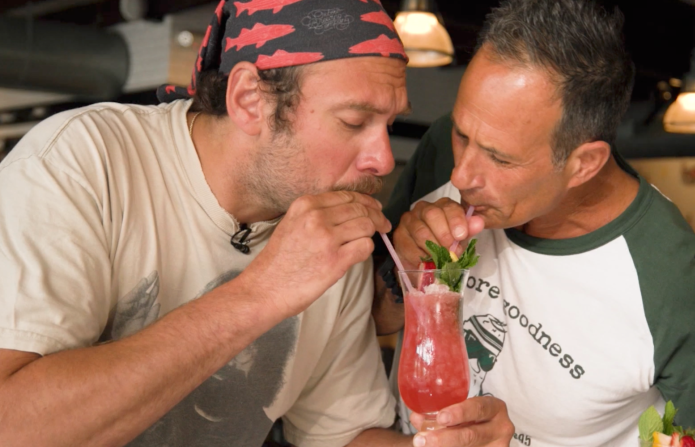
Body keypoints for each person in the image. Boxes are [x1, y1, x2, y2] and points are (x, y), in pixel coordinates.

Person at [0, 1, 513, 446]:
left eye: (389, 125)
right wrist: (264, 290)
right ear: (249, 100)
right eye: (354, 122)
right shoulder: (81, 161)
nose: (382, 159)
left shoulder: (330, 217)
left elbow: (342, 435)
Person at [372, 0, 695, 446]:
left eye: (499, 157)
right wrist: (404, 271)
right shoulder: (441, 153)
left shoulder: (674, 283)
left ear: (584, 164)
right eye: (461, 133)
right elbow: (373, 321)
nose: (461, 175)